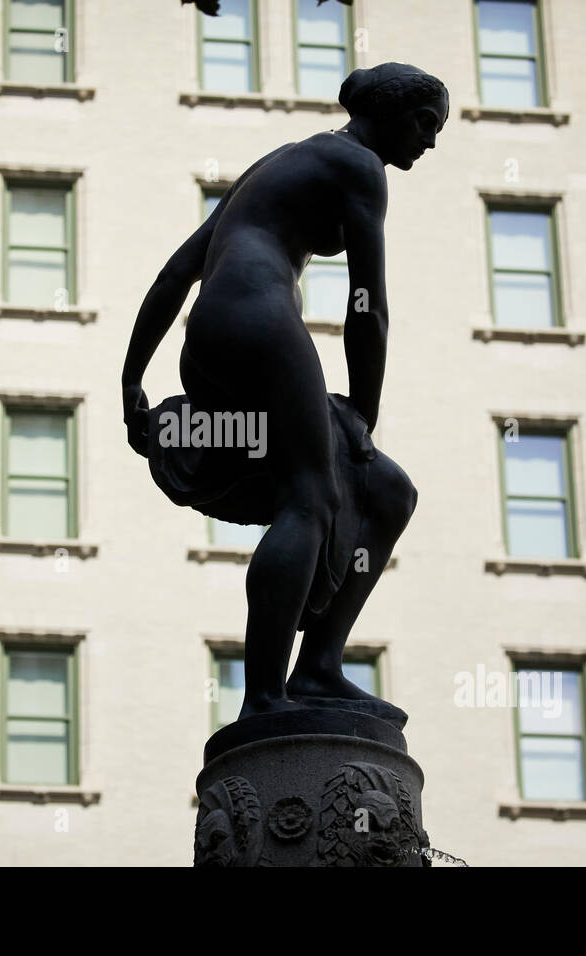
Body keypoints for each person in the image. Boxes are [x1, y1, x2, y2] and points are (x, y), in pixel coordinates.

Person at [122, 63, 449, 721]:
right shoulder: (359, 167)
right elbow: (366, 304)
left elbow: (176, 274)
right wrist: (364, 411)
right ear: (386, 112)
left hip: (214, 336)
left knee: (387, 492)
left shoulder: (279, 163)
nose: (431, 141)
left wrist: (132, 379)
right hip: (258, 318)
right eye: (425, 123)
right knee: (313, 493)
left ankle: (319, 668)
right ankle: (265, 696)